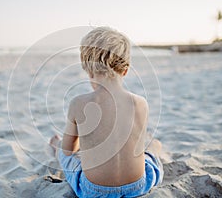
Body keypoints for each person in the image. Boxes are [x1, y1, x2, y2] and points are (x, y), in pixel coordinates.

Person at [50, 26, 163, 197]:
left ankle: (53, 144)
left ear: (89, 70)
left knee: (62, 151)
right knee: (152, 150)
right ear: (125, 70)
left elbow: (69, 150)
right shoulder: (141, 103)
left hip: (94, 191)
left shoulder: (78, 103)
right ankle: (157, 147)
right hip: (137, 186)